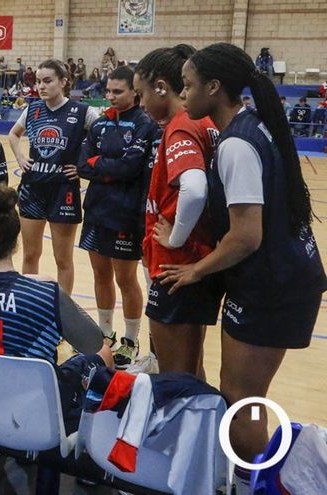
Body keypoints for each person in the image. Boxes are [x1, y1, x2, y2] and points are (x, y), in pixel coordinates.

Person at [160, 43, 327, 478]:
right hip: (280, 279)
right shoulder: (250, 127)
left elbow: (246, 237)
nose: (183, 93)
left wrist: (195, 269)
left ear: (214, 88)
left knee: (242, 400)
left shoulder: (237, 145)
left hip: (274, 286)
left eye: (189, 85)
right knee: (241, 395)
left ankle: (255, 481)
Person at [0, 185, 112, 460]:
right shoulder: (46, 294)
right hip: (33, 415)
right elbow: (94, 343)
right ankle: (92, 457)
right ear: (15, 239)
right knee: (106, 353)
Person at [129, 45, 220, 379]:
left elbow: (195, 189)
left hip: (175, 265)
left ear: (161, 87)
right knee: (192, 369)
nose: (140, 104)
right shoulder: (206, 123)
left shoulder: (181, 126)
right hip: (195, 261)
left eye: (141, 94)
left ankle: (180, 431)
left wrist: (174, 236)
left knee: (173, 377)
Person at [74, 65, 159, 369]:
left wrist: (101, 166)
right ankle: (105, 334)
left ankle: (131, 340)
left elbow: (131, 168)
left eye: (117, 91)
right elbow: (83, 166)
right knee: (100, 274)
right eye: (107, 91)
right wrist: (107, 166)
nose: (110, 96)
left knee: (126, 278)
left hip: (125, 214)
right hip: (97, 210)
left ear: (135, 92)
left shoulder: (146, 125)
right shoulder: (98, 125)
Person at [7, 59, 99, 292]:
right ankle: (30, 303)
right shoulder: (32, 109)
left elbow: (104, 139)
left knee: (63, 259)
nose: (41, 86)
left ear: (63, 82)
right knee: (30, 254)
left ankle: (64, 310)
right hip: (33, 189)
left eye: (47, 81)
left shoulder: (83, 112)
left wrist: (83, 166)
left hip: (64, 190)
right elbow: (13, 135)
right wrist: (19, 156)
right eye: (38, 81)